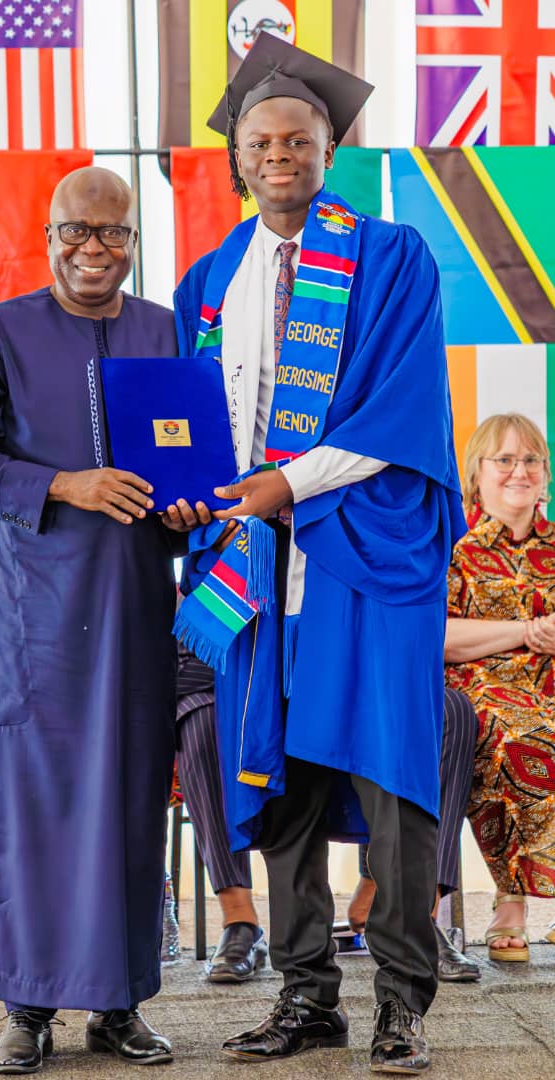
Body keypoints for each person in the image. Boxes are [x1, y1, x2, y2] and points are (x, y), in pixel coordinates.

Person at [170, 35, 464, 1075]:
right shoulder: (211, 279)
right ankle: (305, 995)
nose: (278, 155)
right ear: (238, 156)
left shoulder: (392, 257)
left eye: (298, 139)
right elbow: (195, 423)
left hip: (368, 551)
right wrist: (194, 496)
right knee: (278, 776)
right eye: (260, 142)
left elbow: (403, 409)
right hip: (255, 558)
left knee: (393, 778)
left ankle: (402, 1001)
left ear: (328, 149)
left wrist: (287, 484)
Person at [0, 166, 179, 1074]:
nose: (94, 248)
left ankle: (119, 1005)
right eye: (77, 230)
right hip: (37, 609)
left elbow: (193, 450)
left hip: (137, 600)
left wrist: (190, 507)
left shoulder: (165, 330)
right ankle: (27, 1006)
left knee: (128, 799)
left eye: (114, 233)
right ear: (48, 237)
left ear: (133, 242)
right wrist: (64, 485)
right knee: (31, 803)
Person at [176, 647, 481, 984]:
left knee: (449, 711)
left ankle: (415, 912)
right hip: (235, 667)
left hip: (347, 660)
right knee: (204, 722)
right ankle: (240, 920)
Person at [444, 413, 555, 961]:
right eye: (505, 459)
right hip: (485, 682)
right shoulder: (455, 548)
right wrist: (527, 632)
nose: (520, 471)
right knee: (519, 736)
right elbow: (439, 637)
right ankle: (511, 898)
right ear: (477, 474)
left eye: (531, 460)